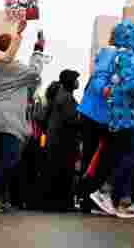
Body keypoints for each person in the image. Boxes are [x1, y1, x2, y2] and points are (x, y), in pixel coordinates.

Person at [91, 19, 134, 219]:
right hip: (131, 115)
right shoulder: (129, 56)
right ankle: (106, 191)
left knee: (124, 155)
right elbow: (132, 86)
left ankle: (124, 202)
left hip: (118, 114)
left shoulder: (117, 56)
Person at [0, 30, 43, 213]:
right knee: (10, 158)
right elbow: (35, 73)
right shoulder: (12, 66)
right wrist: (38, 51)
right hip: (8, 119)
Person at [77, 32, 118, 213]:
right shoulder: (111, 52)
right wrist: (107, 90)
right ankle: (88, 197)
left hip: (94, 113)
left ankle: (87, 198)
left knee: (93, 155)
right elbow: (99, 83)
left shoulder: (109, 53)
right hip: (96, 114)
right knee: (97, 156)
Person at [43, 69, 82, 211]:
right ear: (70, 82)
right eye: (76, 79)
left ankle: (54, 203)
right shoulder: (67, 99)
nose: (78, 82)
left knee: (55, 173)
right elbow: (72, 121)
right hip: (64, 143)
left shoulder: (58, 97)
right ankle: (64, 204)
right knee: (64, 174)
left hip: (54, 141)